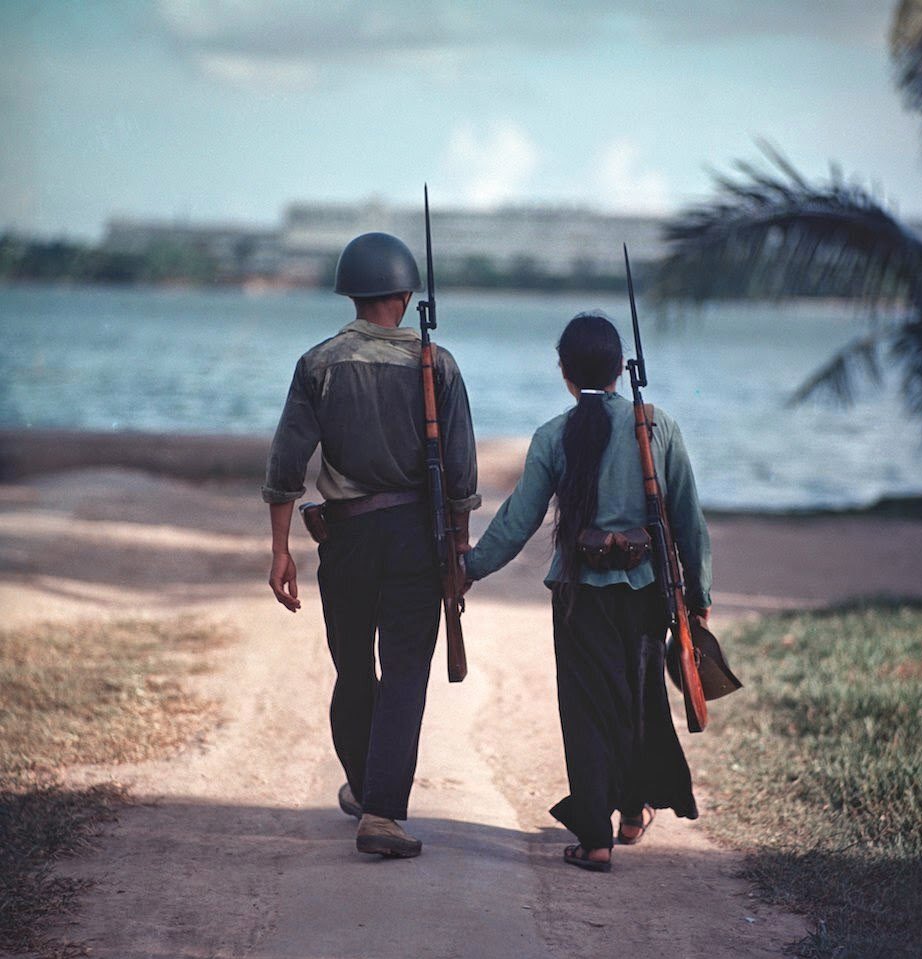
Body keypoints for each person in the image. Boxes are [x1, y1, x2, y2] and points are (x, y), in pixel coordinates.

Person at [463, 311, 711, 872]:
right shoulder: (658, 426)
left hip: (580, 595)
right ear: (621, 370)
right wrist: (700, 592)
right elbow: (688, 518)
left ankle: (598, 836)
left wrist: (471, 566)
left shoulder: (553, 435)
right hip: (647, 594)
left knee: (587, 711)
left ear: (565, 372)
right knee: (640, 702)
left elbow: (518, 519)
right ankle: (631, 814)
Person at [262, 231, 480, 859]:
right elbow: (461, 477)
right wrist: (457, 554)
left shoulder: (318, 363)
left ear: (351, 293)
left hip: (347, 539)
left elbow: (285, 466)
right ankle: (380, 810)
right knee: (407, 674)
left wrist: (280, 550)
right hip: (419, 538)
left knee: (354, 668)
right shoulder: (438, 365)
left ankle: (363, 784)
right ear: (406, 295)